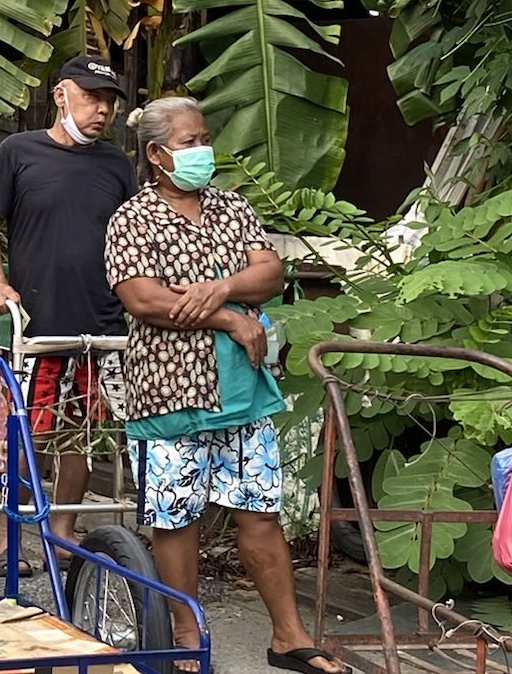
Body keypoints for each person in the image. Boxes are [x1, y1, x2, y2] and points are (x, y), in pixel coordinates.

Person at [106, 97, 348, 674]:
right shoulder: (132, 218)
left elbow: (270, 273)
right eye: (189, 142)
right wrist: (230, 317)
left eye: (204, 138)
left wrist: (217, 289)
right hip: (169, 390)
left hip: (243, 390)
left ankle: (288, 637)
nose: (203, 150)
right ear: (157, 154)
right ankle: (186, 632)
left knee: (260, 513)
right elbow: (144, 299)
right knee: (177, 519)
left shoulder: (232, 207)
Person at [0, 55, 136, 577]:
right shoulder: (19, 151)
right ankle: (11, 537)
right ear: (62, 94)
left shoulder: (116, 163)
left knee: (82, 432)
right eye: (92, 98)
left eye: (109, 102)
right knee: (30, 431)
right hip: (37, 318)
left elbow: (134, 234)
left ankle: (62, 532)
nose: (102, 110)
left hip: (102, 318)